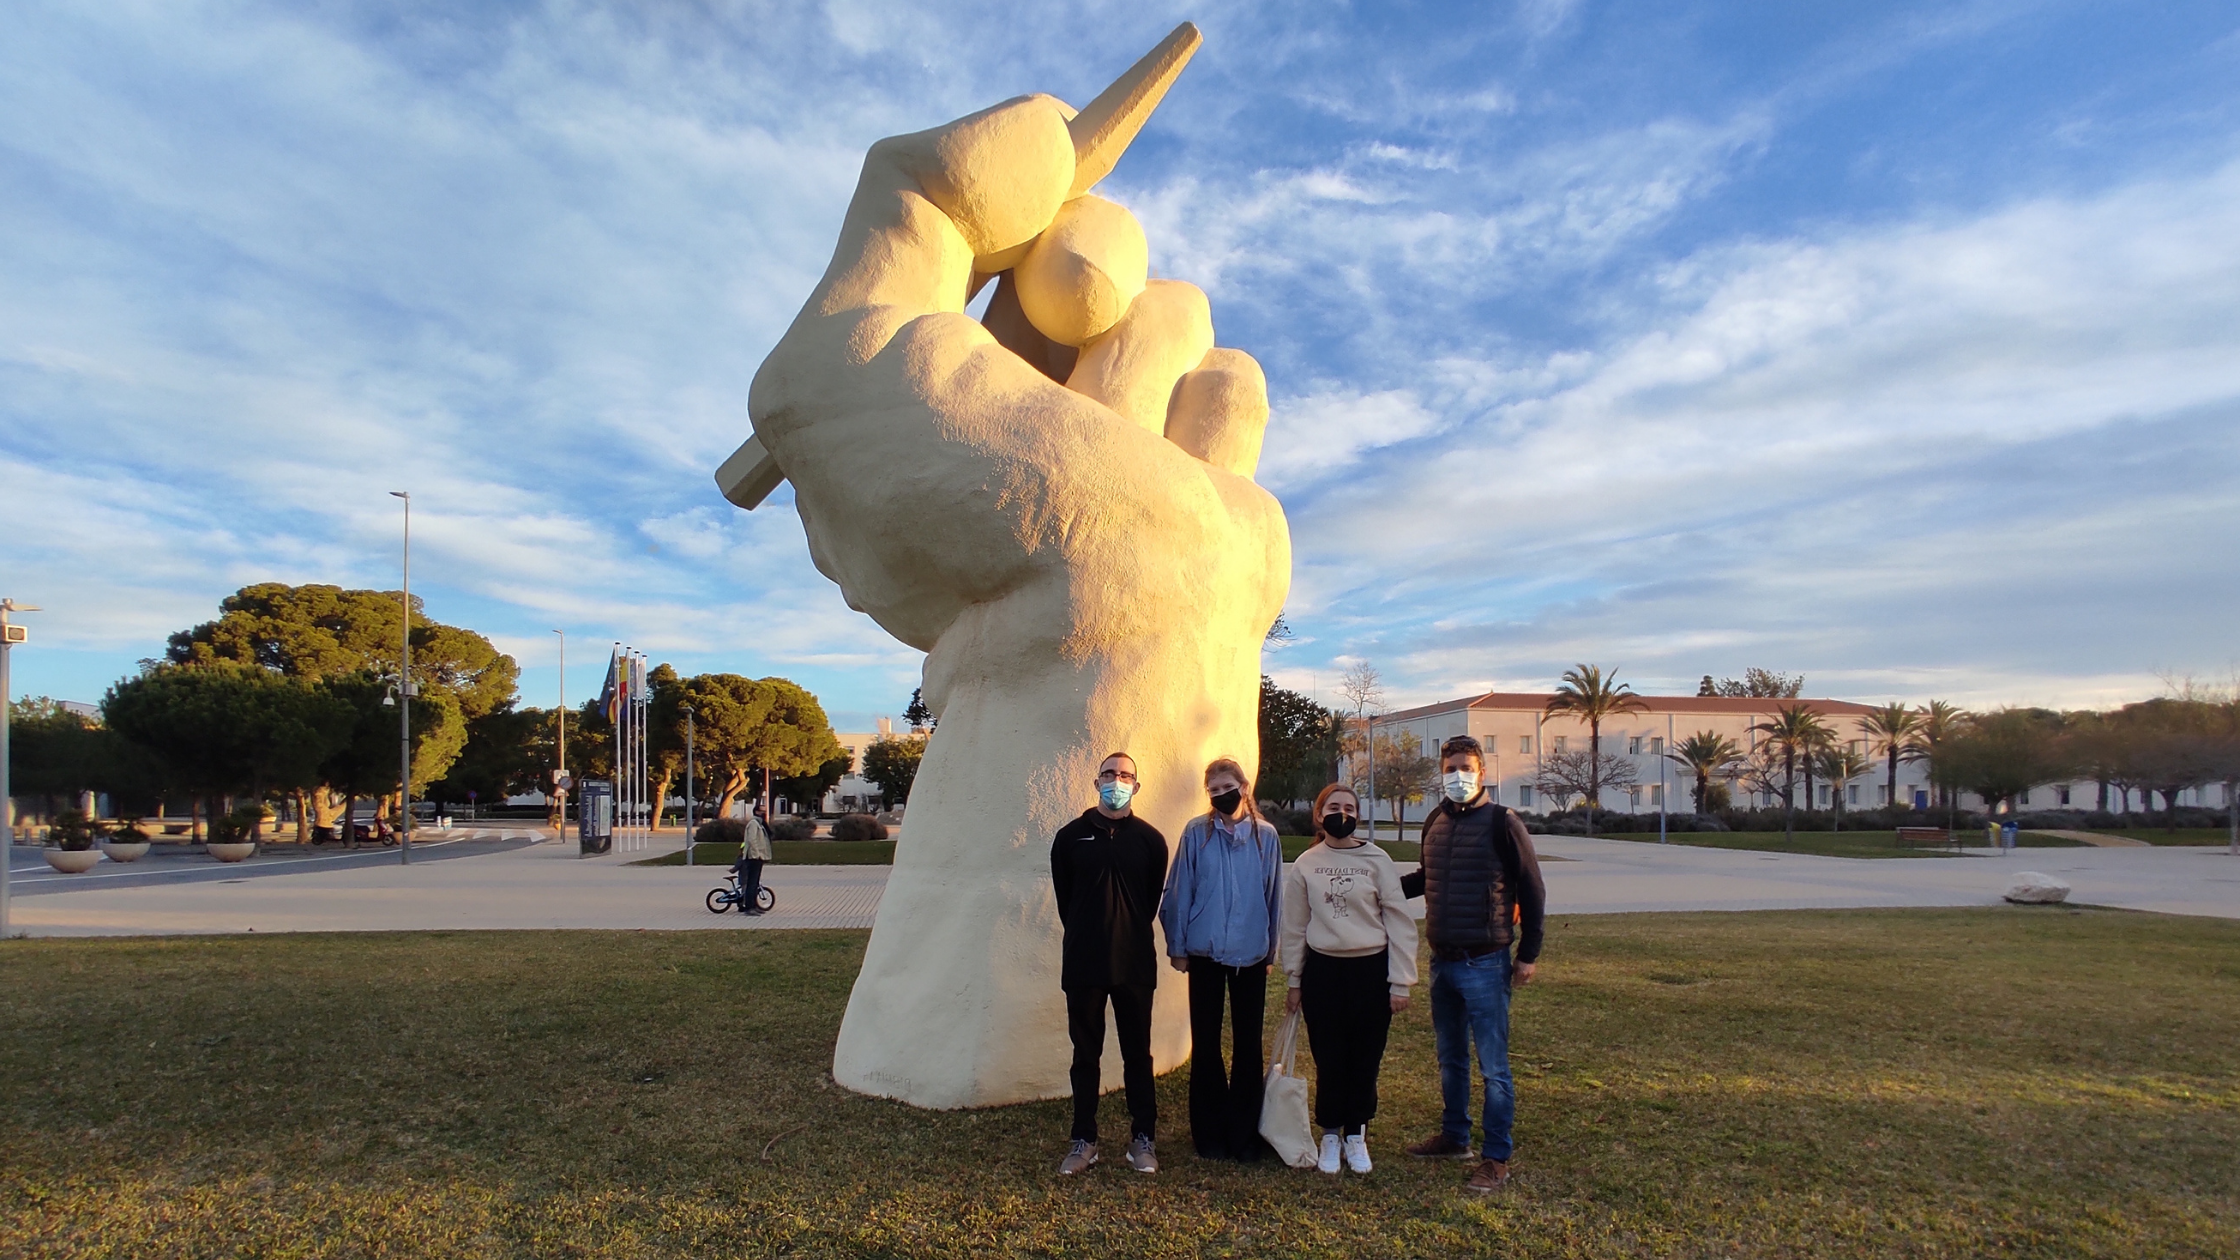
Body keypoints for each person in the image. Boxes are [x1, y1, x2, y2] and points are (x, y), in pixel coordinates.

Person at [1399, 734, 1546, 1194]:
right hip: (1443, 962)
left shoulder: (1504, 822)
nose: (1457, 776)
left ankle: (1496, 1157)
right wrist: (1374, 882)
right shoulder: (1434, 822)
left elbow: (1533, 889)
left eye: (1466, 768)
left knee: (1494, 1067)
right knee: (1450, 1059)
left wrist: (1528, 955)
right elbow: (1426, 878)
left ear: (1482, 772)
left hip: (1486, 961)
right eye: (1449, 769)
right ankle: (1454, 1136)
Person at [1280, 783, 1416, 1175]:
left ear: (1359, 815)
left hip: (1370, 971)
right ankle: (1329, 1133)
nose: (1343, 813)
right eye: (1334, 807)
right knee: (1329, 1056)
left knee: (1365, 1057)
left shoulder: (1378, 860)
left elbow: (1398, 920)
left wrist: (1400, 980)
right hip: (1324, 972)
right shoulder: (1307, 863)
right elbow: (1294, 925)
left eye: (1350, 807)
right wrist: (1294, 979)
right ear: (1320, 815)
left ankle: (1356, 1133)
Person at [1157, 757, 1283, 1161]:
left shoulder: (1267, 837)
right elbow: (1179, 889)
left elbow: (1274, 896)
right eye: (1213, 790)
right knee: (1207, 1044)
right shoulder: (1197, 833)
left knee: (1248, 1045)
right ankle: (1209, 1134)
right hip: (1206, 953)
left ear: (1243, 787)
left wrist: (1270, 948)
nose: (1221, 795)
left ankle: (1244, 1135)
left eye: (1227, 786)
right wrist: (1178, 947)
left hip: (1250, 953)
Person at [1050, 752, 1169, 1176]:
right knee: (1086, 1054)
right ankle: (1084, 1140)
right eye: (1108, 774)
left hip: (1135, 963)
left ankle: (1143, 1139)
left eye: (1125, 775)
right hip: (1083, 962)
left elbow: (1151, 899)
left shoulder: (1151, 840)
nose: (1116, 781)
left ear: (1136, 785)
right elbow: (1067, 900)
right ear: (1096, 780)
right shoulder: (1069, 837)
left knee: (1138, 1054)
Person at [732, 807, 772, 915]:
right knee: (751, 883)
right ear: (756, 812)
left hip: (759, 857)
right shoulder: (753, 824)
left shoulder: (760, 824)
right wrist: (756, 854)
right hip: (753, 857)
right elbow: (751, 840)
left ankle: (754, 905)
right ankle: (749, 907)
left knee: (755, 883)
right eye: (762, 811)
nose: (764, 813)